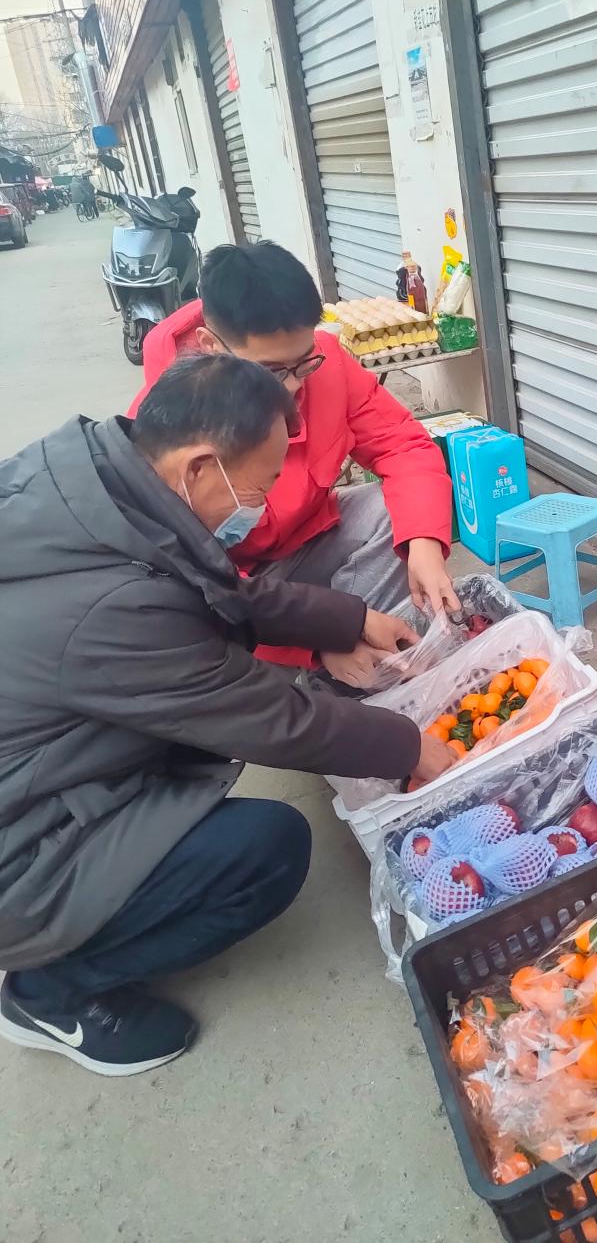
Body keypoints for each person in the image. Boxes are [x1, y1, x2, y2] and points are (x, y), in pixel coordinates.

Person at [0, 356, 457, 1077]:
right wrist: (413, 747)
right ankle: (49, 992)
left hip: (45, 762)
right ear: (199, 467)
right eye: (262, 485)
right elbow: (269, 718)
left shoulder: (91, 484)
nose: (265, 504)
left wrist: (350, 619)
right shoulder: (112, 609)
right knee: (263, 851)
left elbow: (217, 590)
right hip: (20, 849)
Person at [129, 241, 459, 685]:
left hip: (302, 546)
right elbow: (190, 578)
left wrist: (424, 542)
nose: (292, 387)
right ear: (210, 345)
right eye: (270, 371)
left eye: (303, 363)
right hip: (228, 588)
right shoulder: (165, 428)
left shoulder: (327, 365)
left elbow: (402, 445)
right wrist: (315, 644)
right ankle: (322, 681)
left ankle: (373, 666)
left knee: (392, 511)